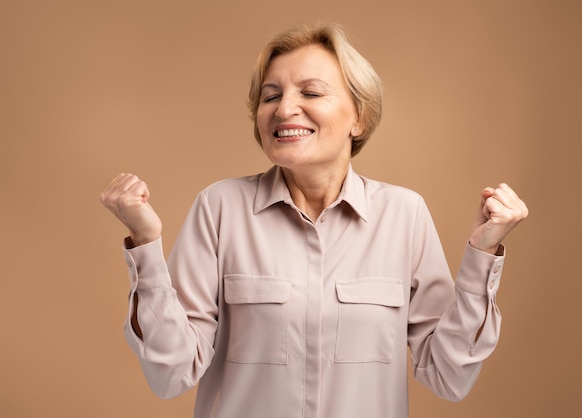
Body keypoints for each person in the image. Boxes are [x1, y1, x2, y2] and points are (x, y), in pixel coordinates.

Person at [101, 23, 528, 418]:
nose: (285, 108)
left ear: (358, 116)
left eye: (311, 92)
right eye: (271, 96)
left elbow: (449, 377)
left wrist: (482, 255)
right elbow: (170, 373)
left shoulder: (405, 215)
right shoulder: (219, 208)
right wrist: (145, 241)